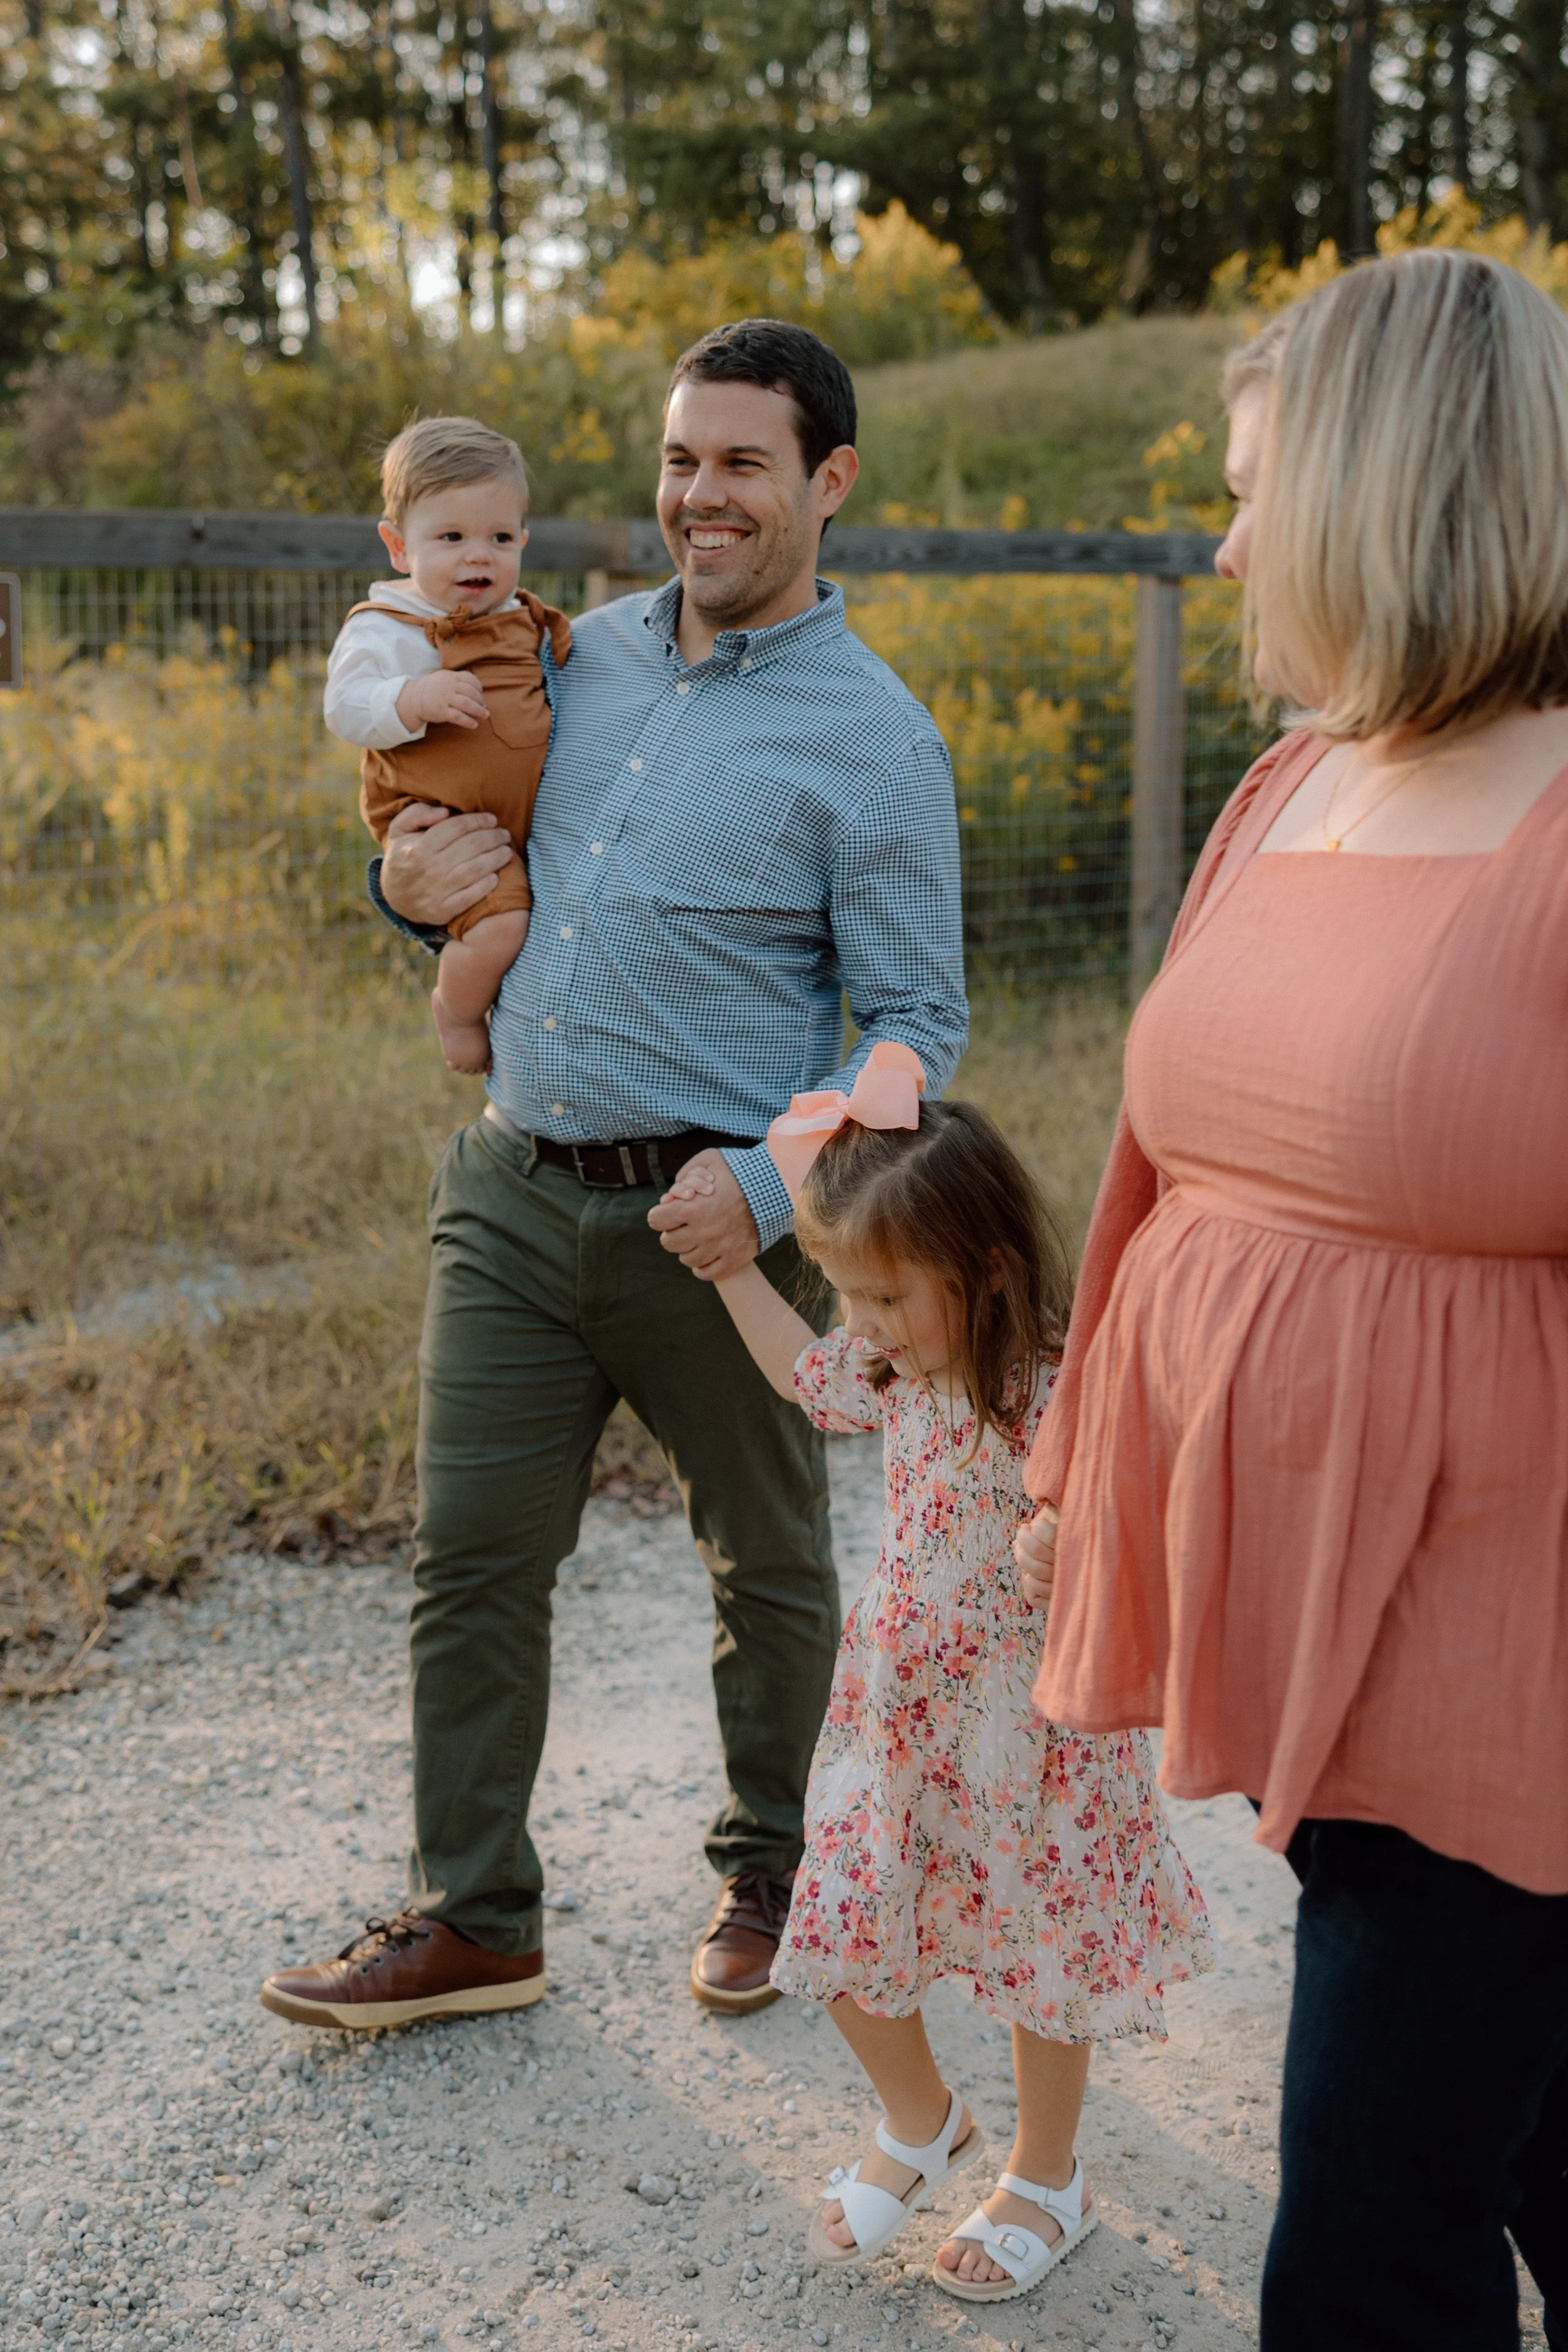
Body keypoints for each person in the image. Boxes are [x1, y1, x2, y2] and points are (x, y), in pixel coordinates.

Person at [259, 319, 968, 2035]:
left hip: (709, 1221)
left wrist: (761, 1171)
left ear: (826, 481)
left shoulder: (875, 743)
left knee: (766, 1558)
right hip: (508, 1183)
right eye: (676, 458)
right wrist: (403, 889)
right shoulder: (563, 654)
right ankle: (478, 1913)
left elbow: (918, 1024)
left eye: (739, 461)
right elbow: (450, 819)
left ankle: (773, 1865)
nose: (697, 494)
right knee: (471, 1557)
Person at [1017, 248, 1568, 2352]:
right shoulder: (1295, 781)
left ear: (1394, 494)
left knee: (1367, 2228)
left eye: (1261, 489)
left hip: (1513, 1643)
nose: (1228, 541)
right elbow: (1168, 1164)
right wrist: (1089, 1455)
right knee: (1526, 2136)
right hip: (1330, 1615)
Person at [664, 1047, 1210, 2306]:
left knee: (1037, 1956)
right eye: (842, 1297)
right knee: (840, 1923)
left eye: (879, 1298)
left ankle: (1044, 2172)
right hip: (894, 1715)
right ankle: (920, 2123)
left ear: (985, 1274)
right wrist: (736, 1269)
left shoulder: (1054, 1389)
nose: (855, 1329)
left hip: (1035, 1730)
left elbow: (1153, 1500)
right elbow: (804, 1378)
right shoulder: (885, 1365)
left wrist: (1066, 1539)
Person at [324, 415, 571, 1075]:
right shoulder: (387, 627)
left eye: (498, 537)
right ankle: (457, 1012)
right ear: (399, 547)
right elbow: (344, 708)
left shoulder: (523, 621)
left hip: (519, 822)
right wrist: (413, 699)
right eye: (452, 537)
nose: (478, 555)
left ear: (522, 538)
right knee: (501, 929)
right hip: (440, 816)